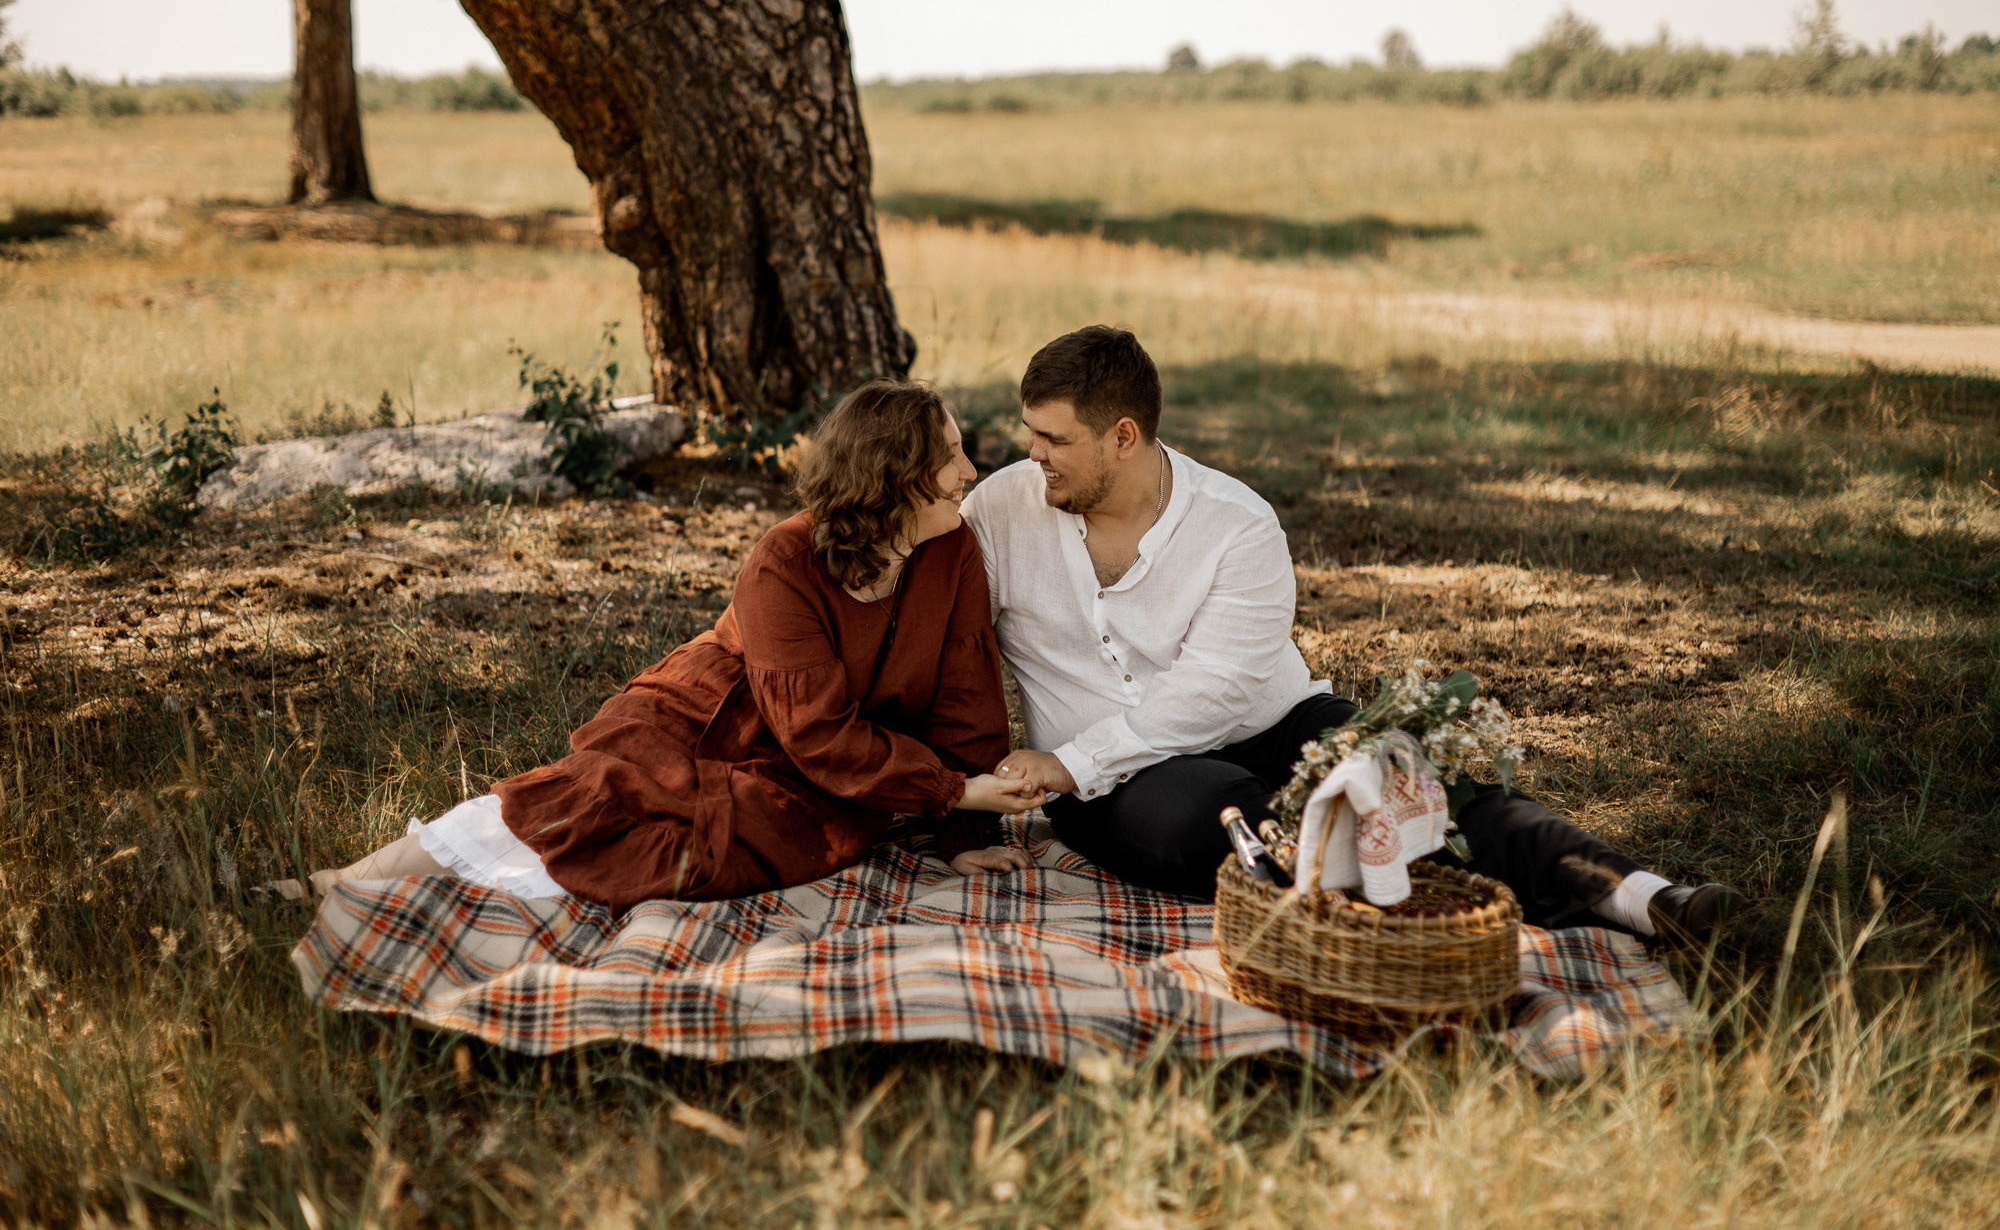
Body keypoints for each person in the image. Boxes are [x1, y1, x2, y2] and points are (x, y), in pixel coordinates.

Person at [961, 325, 1742, 946]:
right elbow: (938, 632)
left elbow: (1215, 693)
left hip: (1267, 725)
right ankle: (1394, 901)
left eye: (1053, 438)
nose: (1032, 454)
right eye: (1031, 433)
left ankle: (1643, 897)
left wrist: (1064, 761)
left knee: (1414, 778)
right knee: (1211, 819)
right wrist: (1008, 784)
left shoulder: (1237, 525)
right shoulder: (1001, 511)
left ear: (1124, 437)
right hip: (1114, 783)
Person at [287, 380, 1043, 911]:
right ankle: (336, 885)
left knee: (726, 848)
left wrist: (963, 832)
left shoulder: (952, 549)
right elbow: (814, 727)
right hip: (710, 718)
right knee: (590, 802)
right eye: (950, 456)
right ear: (895, 477)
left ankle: (463, 887)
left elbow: (965, 694)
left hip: (826, 761)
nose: (969, 472)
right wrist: (948, 790)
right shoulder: (784, 562)